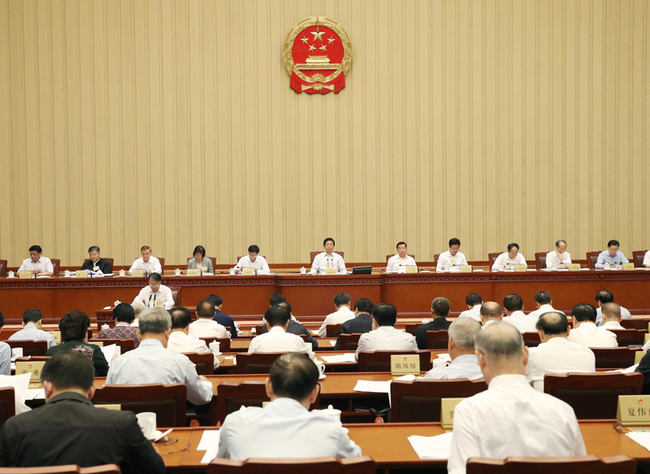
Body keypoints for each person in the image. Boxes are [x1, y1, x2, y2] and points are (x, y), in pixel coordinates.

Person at [447, 322, 586, 474]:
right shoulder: (563, 410)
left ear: (480, 358)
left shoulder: (468, 411)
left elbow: (460, 471)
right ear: (525, 355)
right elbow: (581, 467)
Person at [0, 352, 165, 473]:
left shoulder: (13, 428)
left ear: (48, 387)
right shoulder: (122, 423)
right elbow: (156, 470)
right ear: (92, 391)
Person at [216, 353, 361, 460]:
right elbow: (357, 461)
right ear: (314, 393)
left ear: (268, 387)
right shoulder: (332, 429)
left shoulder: (234, 423)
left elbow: (220, 465)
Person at [106, 307, 213, 406]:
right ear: (168, 333)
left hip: (130, 425)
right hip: (170, 425)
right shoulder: (181, 362)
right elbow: (201, 398)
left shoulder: (118, 363)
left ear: (138, 335)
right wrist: (205, 384)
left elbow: (109, 401)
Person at [525, 312, 595, 391]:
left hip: (545, 402)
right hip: (581, 403)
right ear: (568, 330)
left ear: (540, 332)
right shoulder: (588, 354)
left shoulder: (530, 355)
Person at [46, 310, 109, 376]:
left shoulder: (51, 352)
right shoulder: (93, 349)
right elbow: (106, 375)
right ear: (85, 331)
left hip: (60, 386)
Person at [248, 305, 317, 363]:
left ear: (267, 323)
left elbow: (248, 364)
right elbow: (312, 362)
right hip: (291, 378)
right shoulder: (297, 341)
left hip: (262, 378)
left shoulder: (256, 341)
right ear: (287, 323)